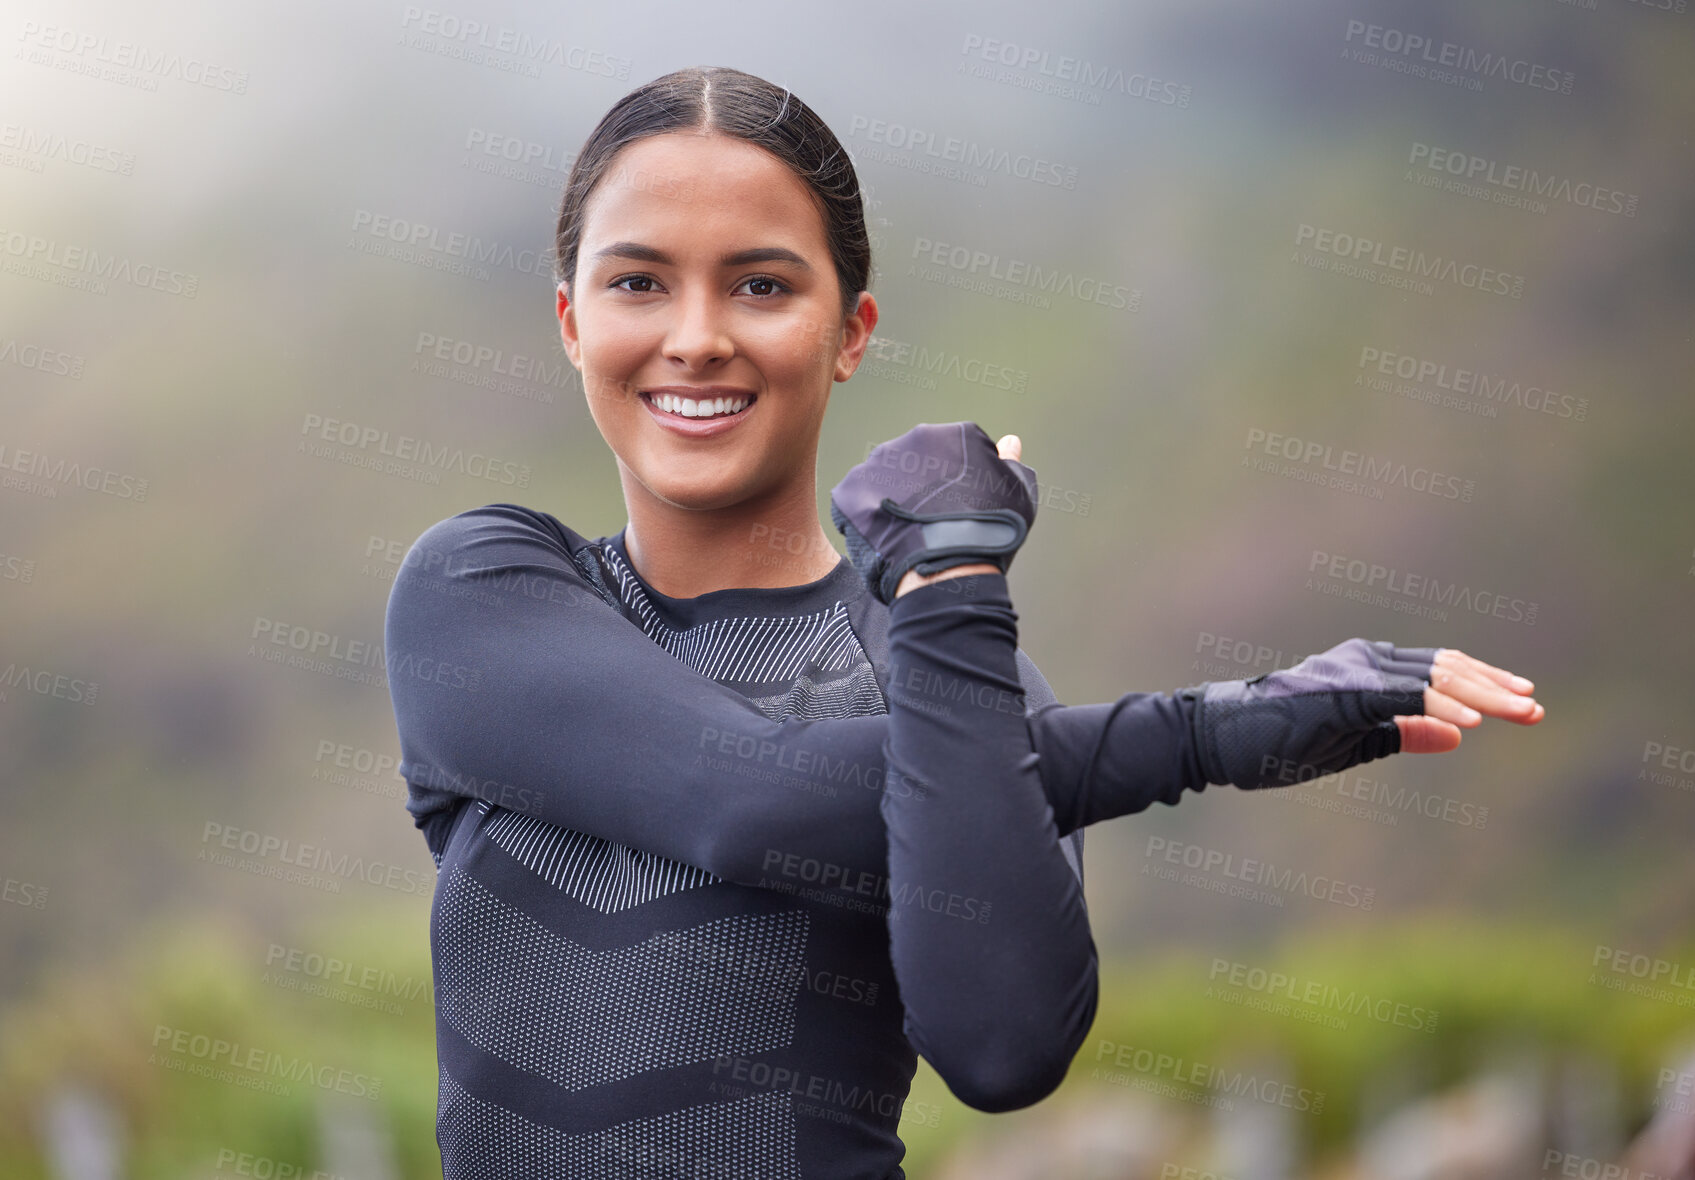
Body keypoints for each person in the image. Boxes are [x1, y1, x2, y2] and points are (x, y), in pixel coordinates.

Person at [382, 65, 1544, 1180]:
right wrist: (1205, 732)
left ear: (851, 330)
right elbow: (740, 793)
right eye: (638, 282)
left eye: (763, 285)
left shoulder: (959, 682)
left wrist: (950, 591)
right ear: (573, 319)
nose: (696, 336)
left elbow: (1004, 1051)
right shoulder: (484, 592)